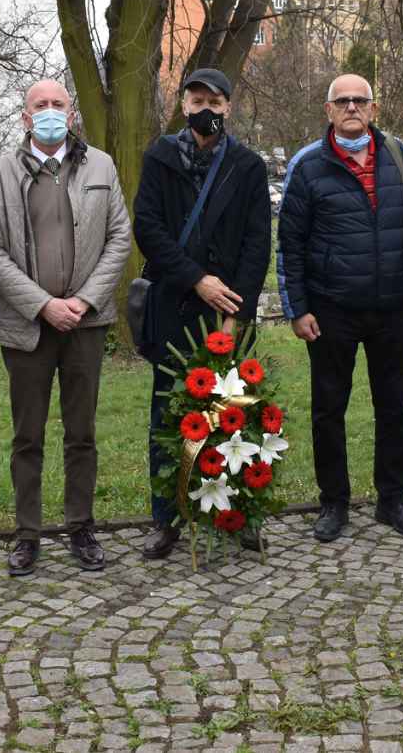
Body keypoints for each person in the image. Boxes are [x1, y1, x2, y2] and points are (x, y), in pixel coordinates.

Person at [0, 80, 132, 576]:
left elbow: (119, 238)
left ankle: (81, 526)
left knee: (81, 432)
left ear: (71, 115)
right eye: (39, 105)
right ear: (24, 117)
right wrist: (44, 305)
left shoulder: (101, 166)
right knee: (28, 435)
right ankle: (27, 534)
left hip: (86, 325)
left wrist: (84, 301)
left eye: (58, 105)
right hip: (27, 327)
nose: (48, 112)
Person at [277, 73, 403, 544]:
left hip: (391, 308)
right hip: (331, 310)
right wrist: (297, 307)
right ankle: (334, 502)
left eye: (359, 100)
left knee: (394, 408)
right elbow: (290, 243)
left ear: (374, 107)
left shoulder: (398, 157)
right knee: (329, 409)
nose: (351, 108)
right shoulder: (307, 165)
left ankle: (393, 499)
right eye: (341, 101)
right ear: (328, 110)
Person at [131, 68, 272, 560]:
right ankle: (166, 518)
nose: (205, 107)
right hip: (176, 306)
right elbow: (148, 229)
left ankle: (239, 513)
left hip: (228, 314)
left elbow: (258, 245)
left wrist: (236, 310)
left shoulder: (248, 167)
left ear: (228, 107)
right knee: (169, 416)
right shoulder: (160, 157)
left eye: (215, 99)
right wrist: (197, 280)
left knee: (235, 418)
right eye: (197, 99)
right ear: (184, 104)